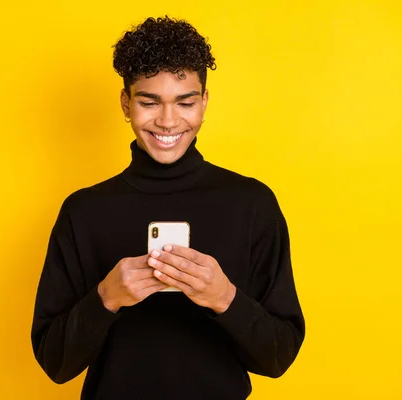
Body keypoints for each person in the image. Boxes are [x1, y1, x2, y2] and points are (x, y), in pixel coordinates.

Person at [30, 16, 305, 400]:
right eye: (149, 101)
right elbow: (55, 363)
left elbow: (278, 357)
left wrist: (223, 296)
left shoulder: (252, 204)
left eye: (185, 102)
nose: (168, 120)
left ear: (204, 103)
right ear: (126, 103)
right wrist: (106, 297)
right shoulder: (83, 211)